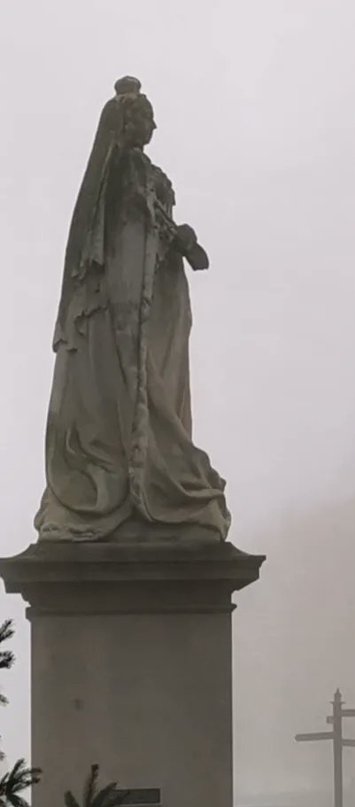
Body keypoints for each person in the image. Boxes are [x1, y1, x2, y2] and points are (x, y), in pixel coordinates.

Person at [36, 77, 230, 542]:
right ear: (124, 121)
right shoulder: (119, 173)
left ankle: (159, 476)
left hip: (154, 303)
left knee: (152, 380)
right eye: (145, 116)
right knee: (131, 377)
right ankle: (141, 479)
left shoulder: (148, 177)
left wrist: (181, 241)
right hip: (124, 303)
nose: (154, 124)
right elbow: (116, 244)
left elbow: (153, 234)